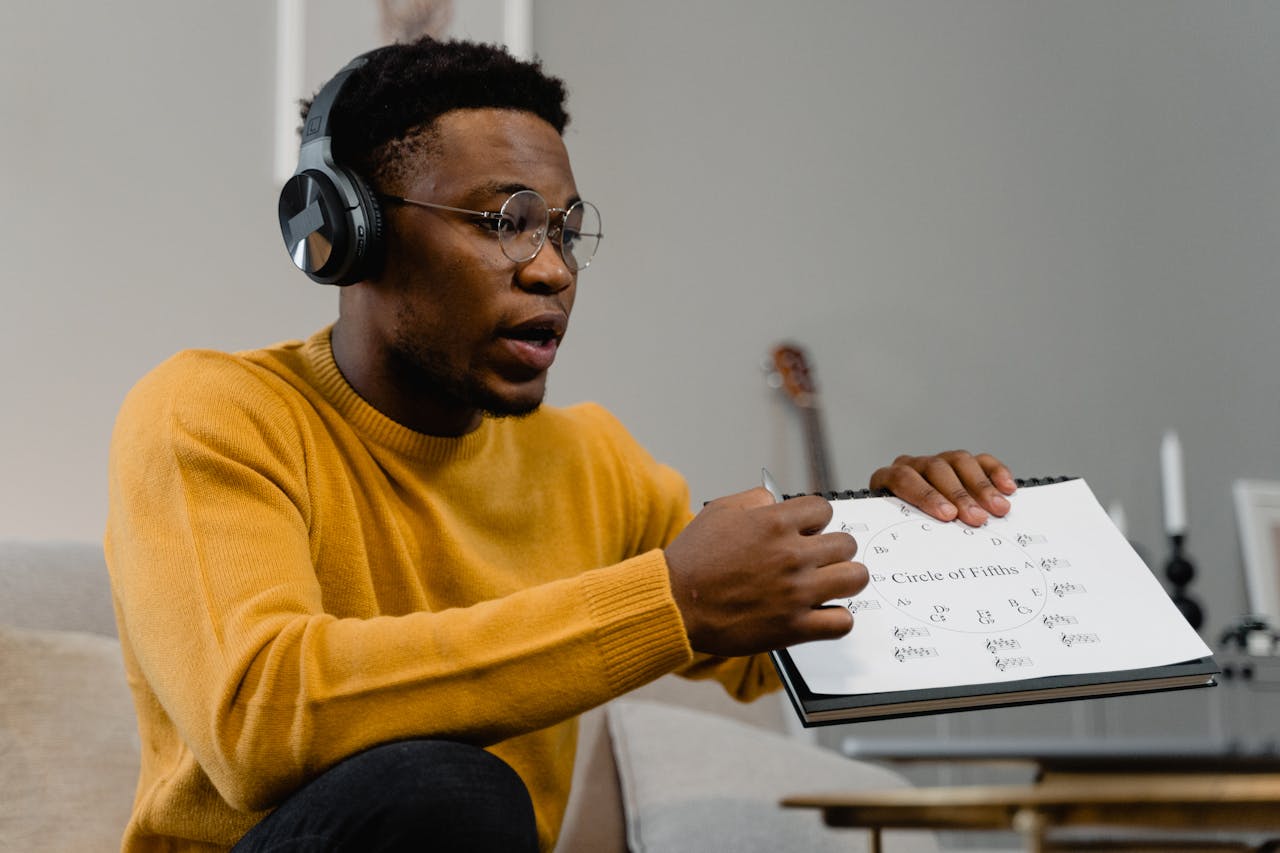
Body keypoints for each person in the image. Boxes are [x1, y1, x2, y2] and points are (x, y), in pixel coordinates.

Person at [104, 36, 1017, 853]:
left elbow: (784, 635)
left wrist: (917, 537)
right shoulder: (212, 413)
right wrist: (669, 598)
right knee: (440, 788)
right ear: (350, 235)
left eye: (565, 228)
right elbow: (260, 719)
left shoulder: (589, 461)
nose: (550, 268)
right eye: (506, 221)